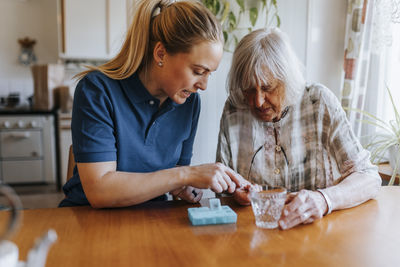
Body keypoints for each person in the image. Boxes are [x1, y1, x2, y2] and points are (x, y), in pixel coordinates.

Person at [59, 0, 250, 208]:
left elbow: (173, 179)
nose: (203, 85)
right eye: (197, 71)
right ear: (160, 54)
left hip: (152, 218)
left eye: (209, 74)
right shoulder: (97, 90)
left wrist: (196, 186)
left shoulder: (189, 103)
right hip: (89, 222)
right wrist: (186, 174)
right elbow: (99, 191)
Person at [216, 28, 381, 230]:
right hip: (253, 236)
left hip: (316, 234)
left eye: (267, 88)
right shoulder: (234, 108)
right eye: (249, 89)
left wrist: (323, 199)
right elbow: (222, 189)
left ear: (286, 78)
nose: (257, 101)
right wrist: (235, 193)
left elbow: (369, 178)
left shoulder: (318, 101)